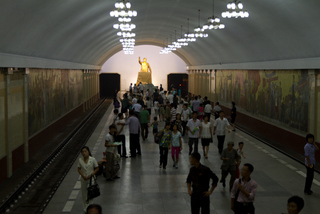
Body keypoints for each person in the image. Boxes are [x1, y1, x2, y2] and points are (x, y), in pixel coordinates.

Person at [78, 146, 99, 212]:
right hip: (84, 179)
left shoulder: (92, 159)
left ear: (88, 152)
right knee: (84, 194)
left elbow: (97, 168)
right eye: (82, 152)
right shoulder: (80, 160)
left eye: (85, 151)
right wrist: (82, 175)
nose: (84, 153)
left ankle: (91, 207)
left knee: (91, 193)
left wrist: (91, 174)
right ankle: (85, 208)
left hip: (91, 179)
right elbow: (78, 169)